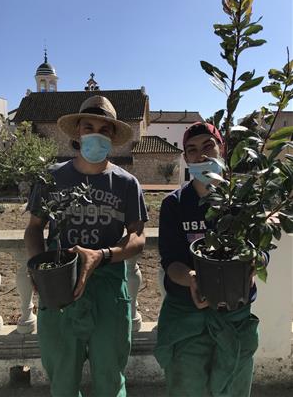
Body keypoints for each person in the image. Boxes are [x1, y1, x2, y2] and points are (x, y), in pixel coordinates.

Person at [24, 95, 148, 397]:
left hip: (108, 289)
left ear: (113, 138)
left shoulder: (126, 183)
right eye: (89, 126)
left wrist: (103, 255)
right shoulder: (52, 178)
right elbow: (34, 229)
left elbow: (137, 237)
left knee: (110, 379)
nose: (96, 133)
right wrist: (38, 267)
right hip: (60, 290)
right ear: (78, 133)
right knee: (63, 380)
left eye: (104, 129)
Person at [154, 122, 267, 397]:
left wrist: (253, 261)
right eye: (192, 150)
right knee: (186, 388)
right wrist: (192, 279)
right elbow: (170, 261)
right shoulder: (175, 204)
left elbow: (263, 252)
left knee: (234, 389)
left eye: (208, 146)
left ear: (222, 149)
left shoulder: (245, 202)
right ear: (185, 158)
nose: (201, 155)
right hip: (186, 317)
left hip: (234, 317)